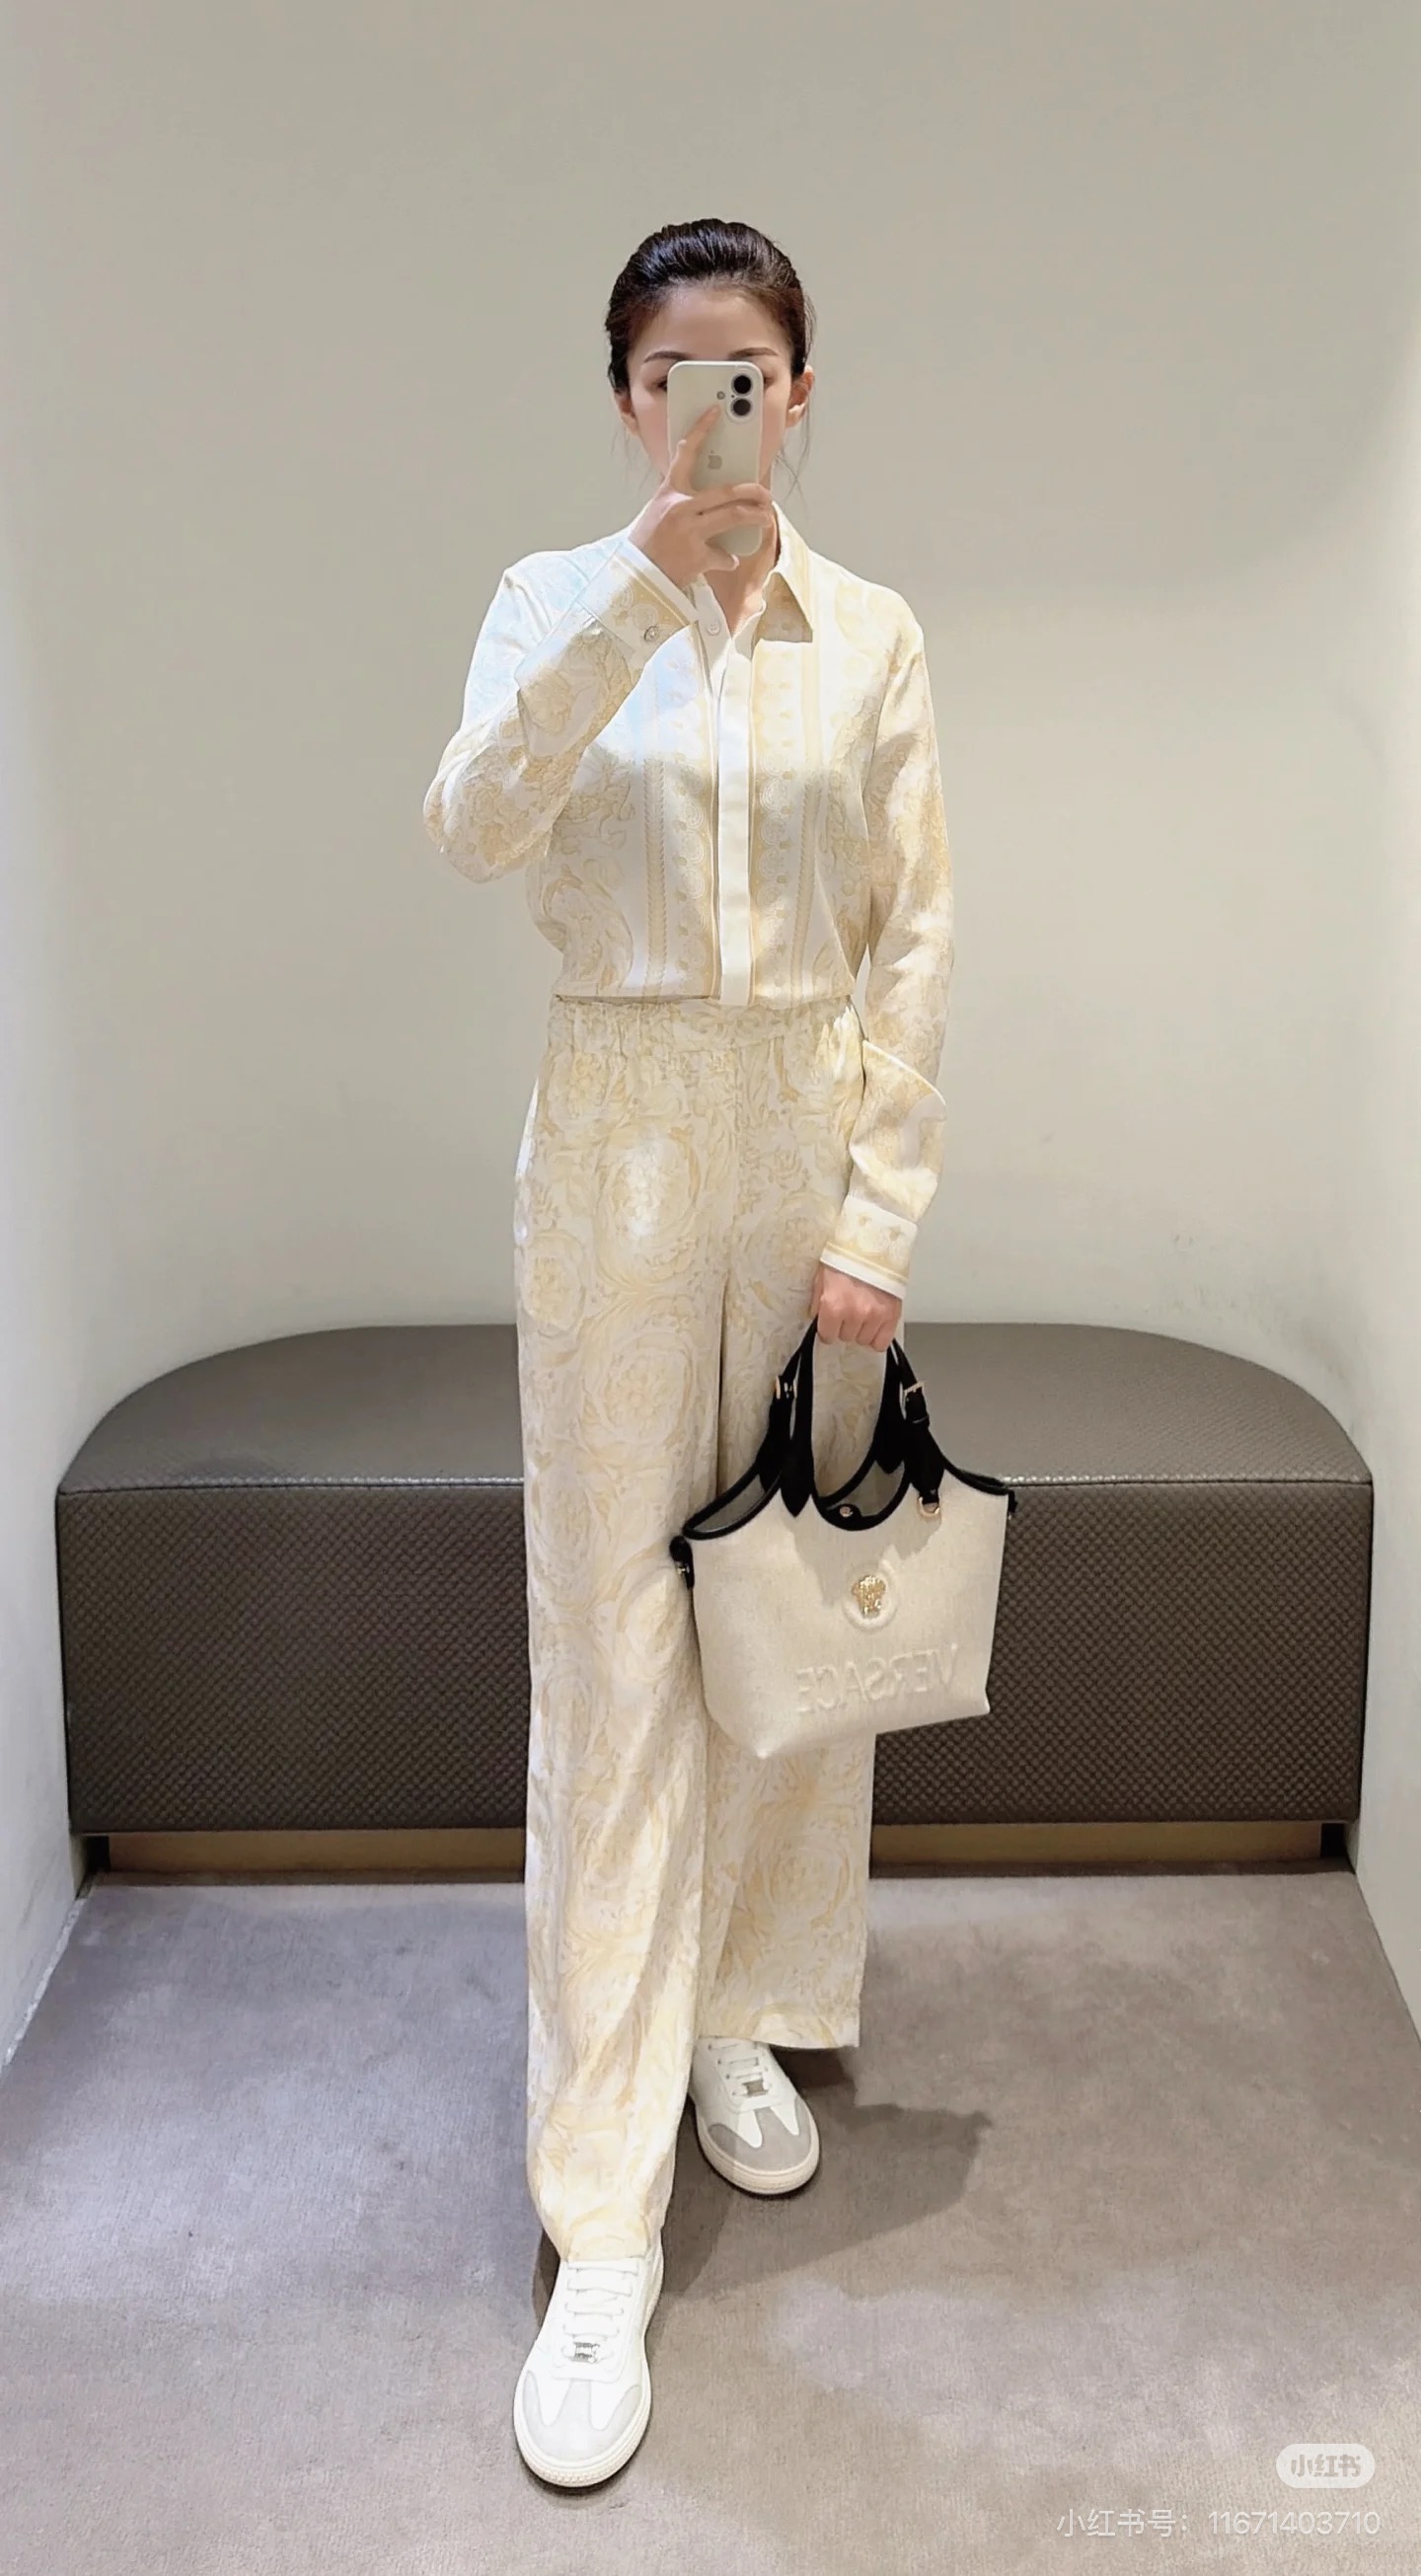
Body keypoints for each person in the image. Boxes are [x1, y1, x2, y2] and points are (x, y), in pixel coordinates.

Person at [421, 215, 955, 2490]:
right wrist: (641, 591)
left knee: (782, 1621)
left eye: (745, 372)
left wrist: (878, 1214)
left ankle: (745, 2011)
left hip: (801, 1133)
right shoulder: (555, 597)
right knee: (616, 1655)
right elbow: (471, 825)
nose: (709, 408)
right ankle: (600, 2215)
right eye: (671, 375)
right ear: (627, 397)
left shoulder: (875, 637)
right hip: (622, 1131)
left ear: (800, 396)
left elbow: (913, 933)